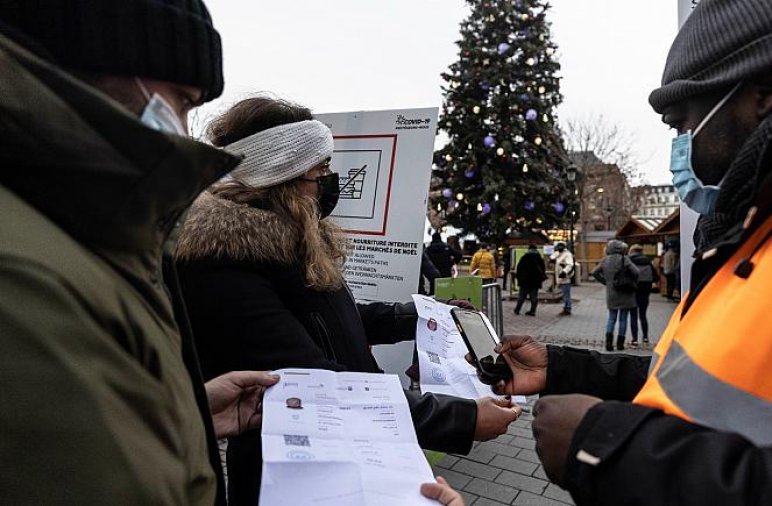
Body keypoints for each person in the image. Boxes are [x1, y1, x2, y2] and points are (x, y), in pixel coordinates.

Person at [446, 1, 772, 504]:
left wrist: (605, 447)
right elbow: (710, 376)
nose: (683, 149)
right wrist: (564, 369)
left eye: (683, 124)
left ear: (768, 90)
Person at [175, 97, 521, 505]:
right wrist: (460, 418)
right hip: (294, 470)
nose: (330, 181)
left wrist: (419, 317)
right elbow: (311, 376)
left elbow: (331, 320)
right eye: (319, 170)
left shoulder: (290, 242)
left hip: (353, 442)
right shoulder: (222, 265)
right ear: (279, 177)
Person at [0, 2, 281, 504]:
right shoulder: (24, 279)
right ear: (98, 55)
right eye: (184, 100)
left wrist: (186, 415)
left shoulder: (85, 232)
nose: (186, 129)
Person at [591, 240, 639, 351]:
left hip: (611, 293)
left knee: (611, 318)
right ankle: (620, 344)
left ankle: (608, 344)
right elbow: (636, 272)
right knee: (623, 319)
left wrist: (606, 282)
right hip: (626, 293)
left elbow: (594, 272)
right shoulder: (625, 259)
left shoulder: (605, 260)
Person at [628, 244, 658, 348]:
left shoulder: (629, 261)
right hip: (645, 292)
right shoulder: (648, 262)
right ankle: (645, 337)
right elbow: (656, 277)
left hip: (632, 291)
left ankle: (634, 340)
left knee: (633, 316)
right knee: (643, 315)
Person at [513, 245, 546, 316]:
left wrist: (518, 278)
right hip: (535, 281)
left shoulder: (524, 258)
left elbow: (519, 269)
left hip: (524, 281)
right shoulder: (539, 258)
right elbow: (543, 270)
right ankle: (533, 311)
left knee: (521, 296)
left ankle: (517, 309)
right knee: (534, 297)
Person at [550, 242, 575, 315]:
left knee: (566, 294)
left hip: (565, 277)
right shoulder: (559, 253)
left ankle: (567, 308)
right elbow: (552, 257)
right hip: (559, 277)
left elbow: (570, 265)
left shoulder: (567, 254)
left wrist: (564, 272)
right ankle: (566, 307)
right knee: (564, 294)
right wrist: (552, 259)